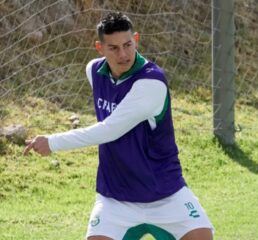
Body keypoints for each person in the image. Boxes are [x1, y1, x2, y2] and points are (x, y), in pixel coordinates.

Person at [23, 12, 213, 240]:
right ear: (99, 47)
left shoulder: (151, 82)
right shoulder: (93, 71)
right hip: (115, 198)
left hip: (165, 193)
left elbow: (109, 130)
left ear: (136, 39)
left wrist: (52, 142)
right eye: (113, 48)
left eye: (127, 45)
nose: (123, 54)